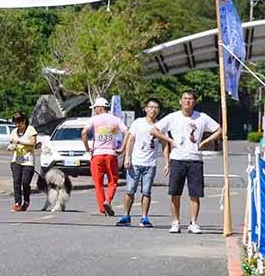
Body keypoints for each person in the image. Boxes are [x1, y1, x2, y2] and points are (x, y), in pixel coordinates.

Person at [152, 90, 222, 234]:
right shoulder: (173, 117)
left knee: (195, 194)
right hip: (177, 159)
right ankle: (175, 222)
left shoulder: (201, 117)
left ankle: (193, 222)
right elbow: (154, 130)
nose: (187, 101)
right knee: (175, 192)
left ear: (194, 102)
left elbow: (219, 129)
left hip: (195, 159)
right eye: (184, 99)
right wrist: (170, 140)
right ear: (180, 101)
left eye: (190, 99)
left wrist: (205, 142)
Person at [117, 98, 163, 228]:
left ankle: (144, 217)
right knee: (130, 190)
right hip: (135, 162)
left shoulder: (160, 125)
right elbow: (130, 140)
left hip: (150, 163)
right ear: (146, 109)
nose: (153, 110)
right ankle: (126, 215)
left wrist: (167, 162)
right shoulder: (138, 123)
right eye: (151, 107)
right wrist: (127, 158)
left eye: (156, 108)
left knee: (146, 192)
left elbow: (165, 143)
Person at [81, 97, 127, 216]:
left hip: (97, 154)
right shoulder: (116, 120)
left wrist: (87, 148)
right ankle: (108, 201)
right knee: (113, 181)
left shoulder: (94, 120)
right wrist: (122, 148)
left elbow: (83, 133)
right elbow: (127, 132)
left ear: (100, 108)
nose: (95, 110)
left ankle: (102, 208)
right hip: (111, 154)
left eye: (95, 108)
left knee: (98, 183)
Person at [8, 112, 38, 211]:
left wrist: (20, 142)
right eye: (15, 123)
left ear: (24, 121)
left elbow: (33, 143)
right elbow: (12, 143)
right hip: (17, 159)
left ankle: (26, 201)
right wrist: (12, 147)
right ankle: (17, 203)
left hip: (28, 159)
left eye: (18, 123)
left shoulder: (31, 130)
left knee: (25, 182)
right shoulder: (14, 131)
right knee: (16, 182)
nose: (17, 125)